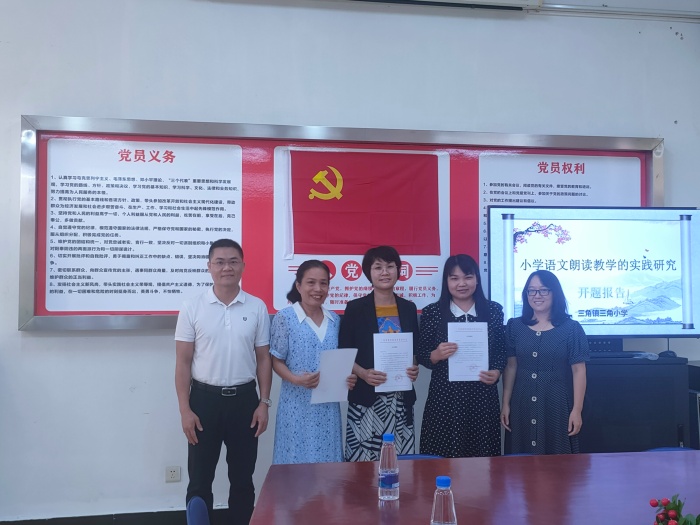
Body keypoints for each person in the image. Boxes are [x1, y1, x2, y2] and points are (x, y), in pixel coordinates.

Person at [174, 239, 272, 525]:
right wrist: (185, 410)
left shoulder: (256, 307)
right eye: (219, 262)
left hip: (245, 402)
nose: (226, 267)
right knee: (200, 479)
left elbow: (263, 359)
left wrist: (264, 403)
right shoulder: (192, 307)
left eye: (233, 261)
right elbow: (182, 362)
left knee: (242, 478)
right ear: (209, 267)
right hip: (203, 402)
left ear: (243, 266)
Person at [418, 254, 506, 458]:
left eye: (468, 277)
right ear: (446, 281)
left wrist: (497, 371)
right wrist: (436, 355)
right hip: (445, 398)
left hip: (482, 397)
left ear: (477, 279)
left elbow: (501, 350)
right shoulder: (433, 312)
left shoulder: (493, 310)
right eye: (454, 278)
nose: (462, 284)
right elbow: (421, 354)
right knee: (443, 457)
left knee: (482, 458)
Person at [270, 260, 357, 464]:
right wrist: (296, 379)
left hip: (328, 408)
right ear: (299, 285)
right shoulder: (285, 318)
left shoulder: (335, 320)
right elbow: (276, 361)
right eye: (311, 282)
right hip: (295, 406)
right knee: (294, 464)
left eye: (323, 283)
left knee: (328, 466)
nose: (318, 289)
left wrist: (348, 378)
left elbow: (339, 360)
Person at [340, 245, 420, 461]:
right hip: (365, 398)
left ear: (398, 270)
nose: (385, 272)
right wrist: (363, 373)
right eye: (378, 267)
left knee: (400, 464)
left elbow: (414, 349)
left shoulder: (408, 308)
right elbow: (344, 351)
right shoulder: (355, 308)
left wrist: (414, 367)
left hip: (400, 400)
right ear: (369, 272)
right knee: (362, 466)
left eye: (390, 266)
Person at [500, 269, 589, 455]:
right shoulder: (515, 326)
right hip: (521, 403)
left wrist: (577, 410)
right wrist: (505, 403)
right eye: (531, 290)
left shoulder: (571, 328)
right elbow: (511, 366)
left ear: (555, 293)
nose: (537, 295)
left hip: (556, 403)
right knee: (520, 462)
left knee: (557, 461)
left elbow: (579, 371)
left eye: (543, 290)